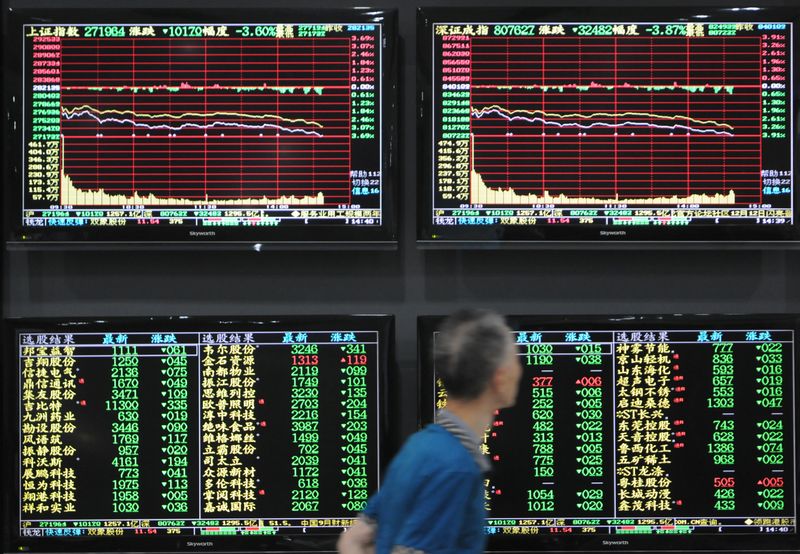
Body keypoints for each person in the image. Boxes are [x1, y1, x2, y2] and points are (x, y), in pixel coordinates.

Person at [338, 309, 523, 554]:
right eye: (515, 359)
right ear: (499, 378)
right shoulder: (457, 468)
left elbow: (353, 539)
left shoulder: (418, 446)